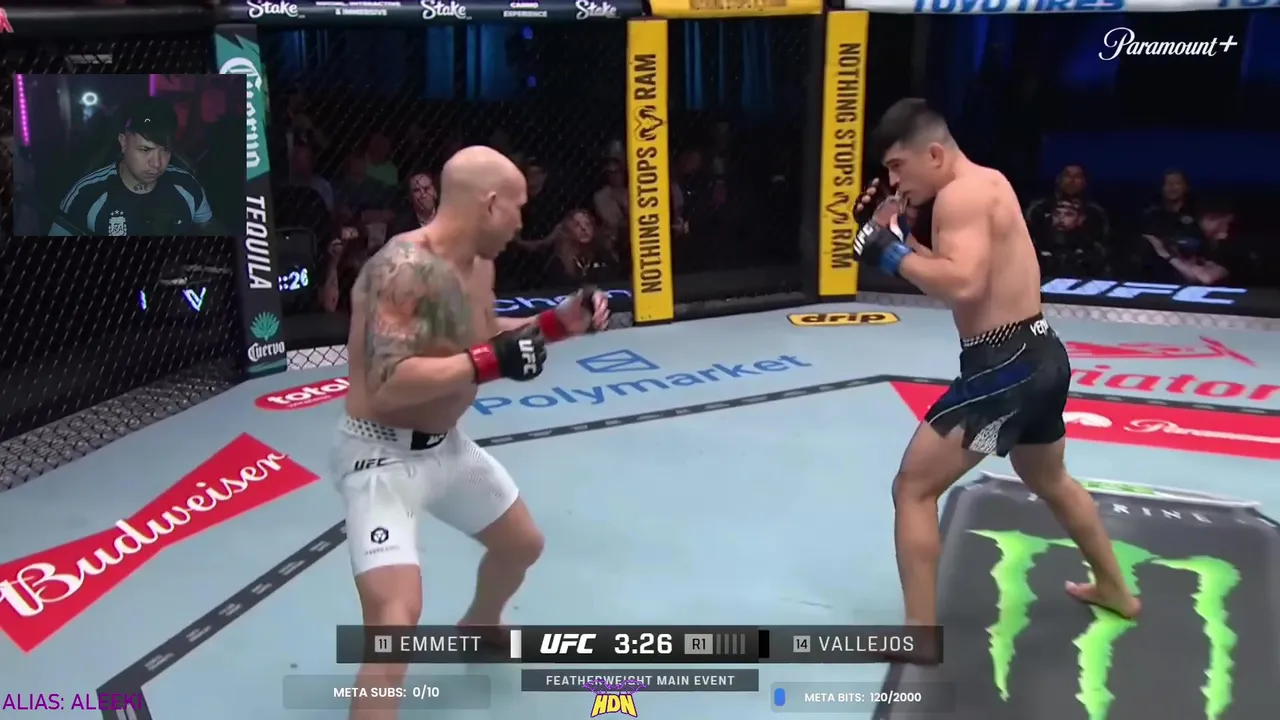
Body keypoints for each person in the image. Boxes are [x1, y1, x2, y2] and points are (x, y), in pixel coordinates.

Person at [850, 99, 1140, 661]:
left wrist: (886, 252)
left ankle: (920, 636)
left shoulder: (959, 196)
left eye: (897, 167)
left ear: (934, 154)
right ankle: (1115, 590)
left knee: (913, 488)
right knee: (1050, 478)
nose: (893, 181)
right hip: (1041, 358)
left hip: (1004, 373)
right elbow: (959, 273)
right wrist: (896, 238)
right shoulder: (988, 183)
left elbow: (961, 284)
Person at [331, 145, 609, 720]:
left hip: (448, 448)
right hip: (380, 458)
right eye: (517, 209)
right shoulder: (401, 268)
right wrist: (488, 362)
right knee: (394, 621)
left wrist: (557, 324)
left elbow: (480, 332)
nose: (522, 224)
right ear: (489, 204)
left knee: (522, 545)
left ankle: (480, 624)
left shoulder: (480, 265)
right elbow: (387, 384)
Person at [49, 97, 221, 236]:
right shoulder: (87, 194)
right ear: (123, 142)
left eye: (165, 150)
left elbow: (208, 226)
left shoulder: (187, 186)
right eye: (145, 149)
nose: (157, 163)